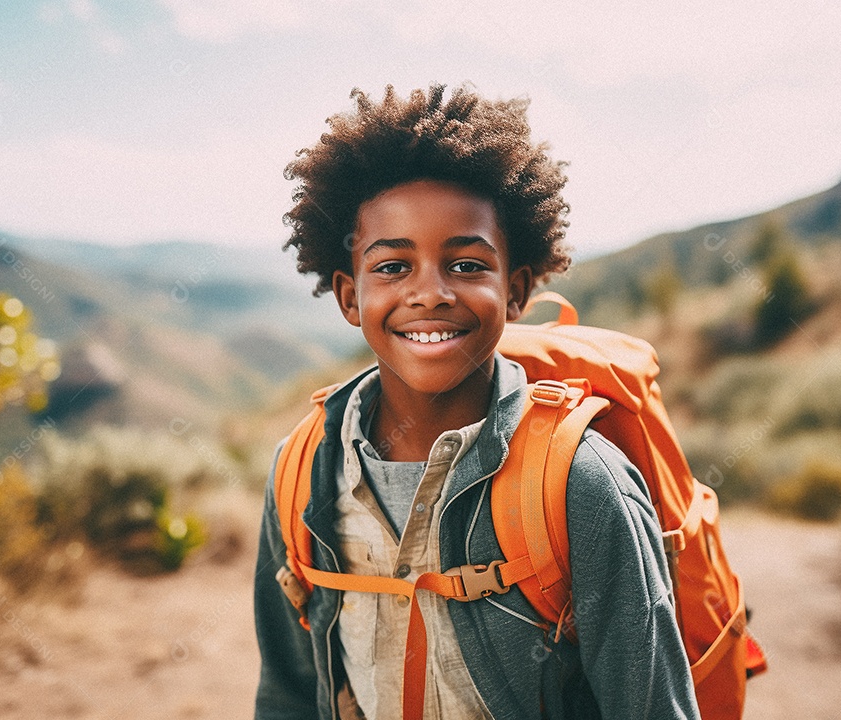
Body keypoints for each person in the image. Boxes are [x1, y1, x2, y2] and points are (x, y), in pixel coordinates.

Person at [254, 84, 701, 720]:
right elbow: (288, 691)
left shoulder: (580, 485)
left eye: (466, 265)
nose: (429, 293)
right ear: (349, 296)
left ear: (515, 291)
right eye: (392, 267)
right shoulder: (301, 471)